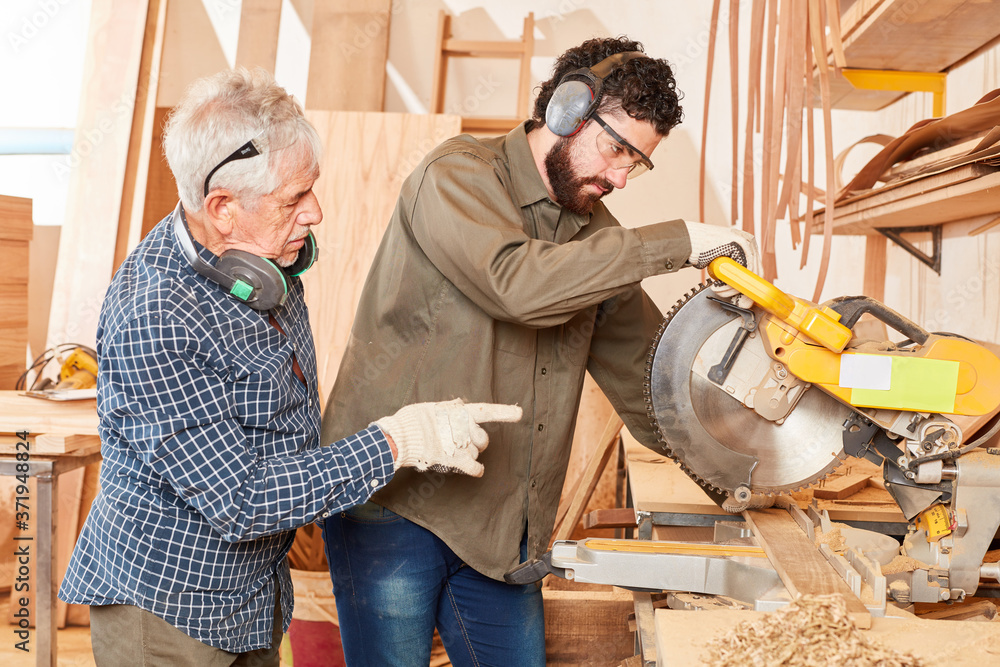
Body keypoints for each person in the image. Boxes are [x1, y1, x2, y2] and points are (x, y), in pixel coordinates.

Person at [320, 36, 762, 666]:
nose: (619, 179)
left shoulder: (596, 239)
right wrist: (679, 240)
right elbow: (518, 285)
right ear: (565, 109)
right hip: (396, 508)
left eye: (637, 165)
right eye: (617, 150)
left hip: (504, 528)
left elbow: (650, 382)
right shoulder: (457, 177)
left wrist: (752, 471)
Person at [58, 68, 520, 666]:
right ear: (221, 208)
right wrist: (396, 442)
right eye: (294, 199)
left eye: (312, 188)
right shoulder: (157, 312)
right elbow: (241, 499)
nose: (316, 213)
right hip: (170, 611)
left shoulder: (264, 260)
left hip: (252, 599)